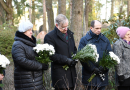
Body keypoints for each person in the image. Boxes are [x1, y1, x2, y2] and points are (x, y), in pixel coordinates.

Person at [11, 20, 49, 90]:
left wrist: (44, 61)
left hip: (36, 82)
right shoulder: (18, 45)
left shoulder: (32, 43)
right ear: (23, 31)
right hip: (26, 83)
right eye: (28, 30)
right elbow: (22, 61)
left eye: (31, 30)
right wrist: (40, 66)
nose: (31, 32)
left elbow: (35, 58)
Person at [44, 14, 77, 90]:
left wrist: (75, 56)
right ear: (56, 25)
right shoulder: (50, 37)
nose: (66, 29)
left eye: (67, 26)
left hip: (72, 73)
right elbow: (51, 55)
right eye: (63, 27)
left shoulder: (70, 34)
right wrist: (66, 60)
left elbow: (74, 48)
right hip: (60, 74)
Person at [78, 20, 112, 90]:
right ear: (91, 28)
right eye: (97, 28)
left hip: (102, 77)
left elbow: (110, 55)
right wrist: (92, 68)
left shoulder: (105, 40)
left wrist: (104, 67)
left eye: (100, 28)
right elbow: (82, 57)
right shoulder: (84, 40)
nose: (99, 30)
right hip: (89, 77)